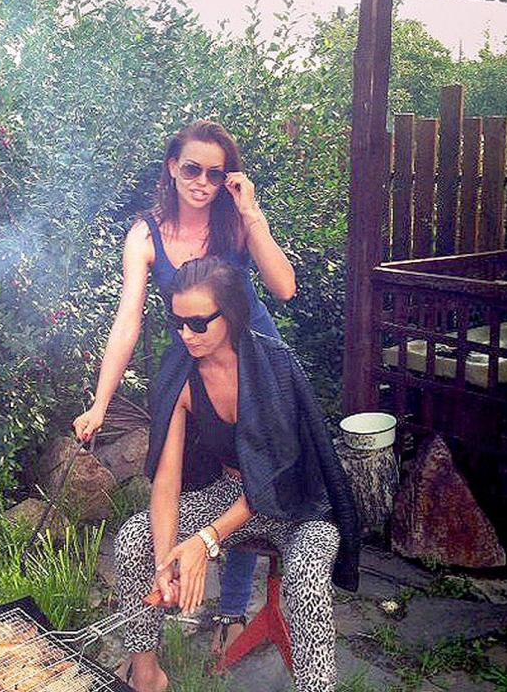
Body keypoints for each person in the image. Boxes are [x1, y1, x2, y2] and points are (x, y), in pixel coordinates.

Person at [73, 120, 296, 654]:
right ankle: (164, 591)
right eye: (192, 168)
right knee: (194, 475)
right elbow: (127, 321)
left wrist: (253, 215)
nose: (202, 182)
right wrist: (100, 402)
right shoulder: (144, 234)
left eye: (215, 174)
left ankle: (232, 610)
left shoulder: (234, 222)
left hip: (252, 359)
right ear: (172, 167)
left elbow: (284, 288)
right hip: (194, 358)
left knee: (248, 468)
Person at [113, 257, 359, 692]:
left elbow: (275, 477)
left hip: (301, 502)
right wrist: (166, 562)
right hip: (232, 493)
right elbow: (167, 480)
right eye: (177, 322)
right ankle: (147, 676)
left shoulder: (273, 365)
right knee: (136, 538)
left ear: (230, 314)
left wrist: (205, 540)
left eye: (198, 323)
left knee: (305, 572)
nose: (186, 334)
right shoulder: (181, 371)